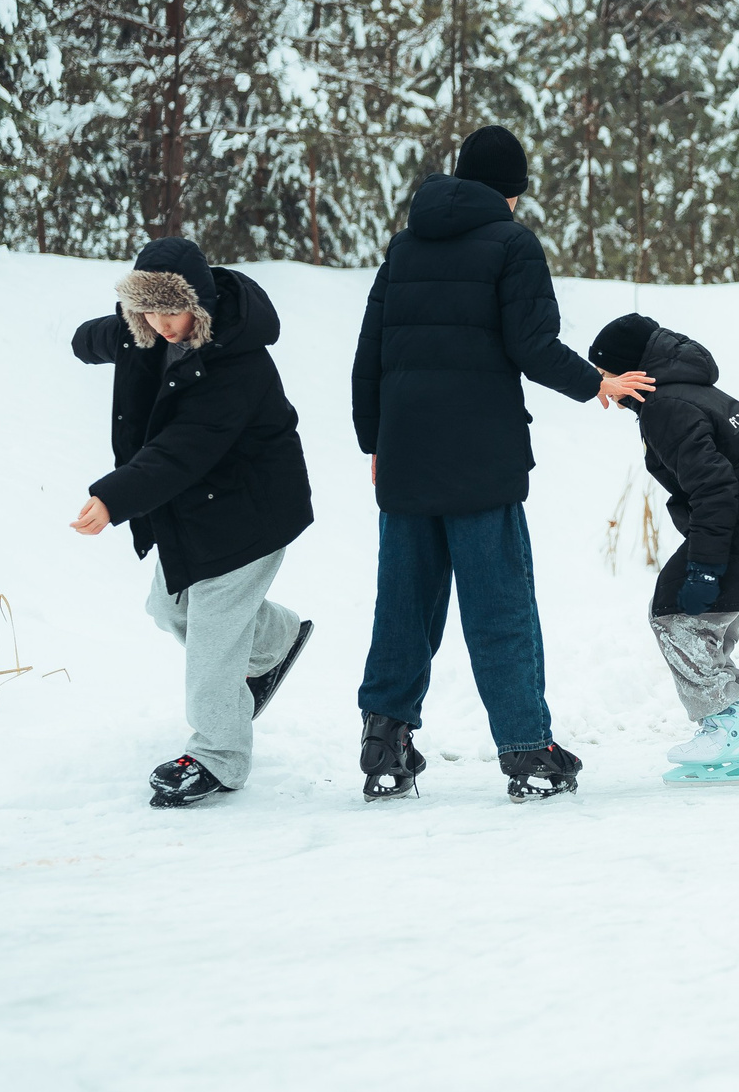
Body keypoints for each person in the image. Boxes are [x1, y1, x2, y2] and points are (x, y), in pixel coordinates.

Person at [351, 125, 653, 802]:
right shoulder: (512, 244)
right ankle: (526, 749)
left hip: (406, 456)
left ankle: (384, 740)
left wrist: (375, 443)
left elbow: (368, 356)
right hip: (480, 460)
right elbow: (533, 343)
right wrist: (596, 382)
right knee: (499, 604)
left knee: (402, 603)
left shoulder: (404, 246)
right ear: (511, 191)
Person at [69, 238, 314, 808]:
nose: (161, 324)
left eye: (170, 310)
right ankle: (276, 638)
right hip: (192, 507)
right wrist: (100, 336)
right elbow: (94, 340)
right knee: (171, 609)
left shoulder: (238, 363)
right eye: (147, 312)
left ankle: (218, 756)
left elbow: (184, 447)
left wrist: (113, 498)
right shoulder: (148, 330)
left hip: (251, 508)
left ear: (199, 306)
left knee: (212, 639)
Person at [589, 315, 739, 783]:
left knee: (674, 615)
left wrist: (704, 567)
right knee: (699, 623)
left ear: (629, 371)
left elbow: (715, 488)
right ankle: (738, 726)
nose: (606, 389)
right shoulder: (696, 391)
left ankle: (726, 722)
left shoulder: (667, 406)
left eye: (605, 376)